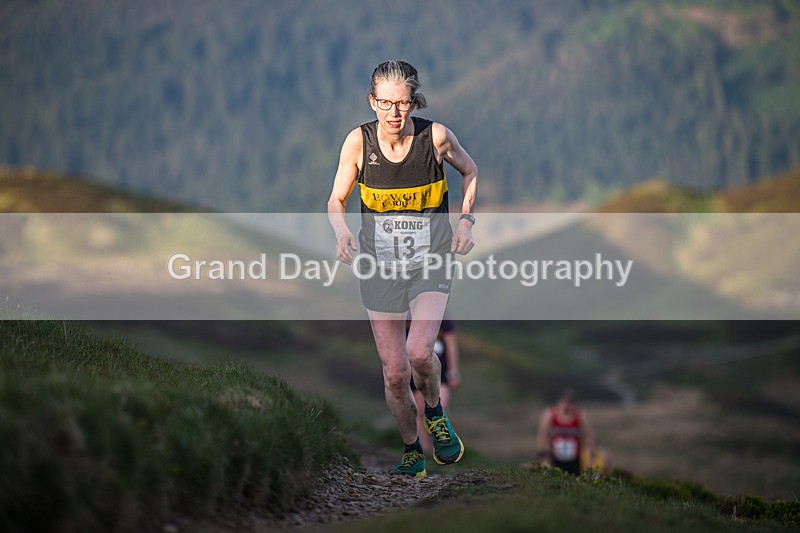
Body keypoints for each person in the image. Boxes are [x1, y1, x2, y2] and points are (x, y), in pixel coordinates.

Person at [327, 60, 478, 478]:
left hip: (431, 262)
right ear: (372, 101)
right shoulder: (358, 143)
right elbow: (336, 199)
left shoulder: (436, 138)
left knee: (419, 352)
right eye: (386, 103)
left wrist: (466, 223)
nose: (394, 113)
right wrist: (341, 233)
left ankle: (435, 413)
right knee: (395, 373)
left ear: (414, 101)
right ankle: (412, 451)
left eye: (403, 103)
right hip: (380, 269)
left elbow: (470, 171)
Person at [409, 313, 461, 454]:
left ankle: (443, 447)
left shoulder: (440, 314)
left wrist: (453, 371)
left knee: (440, 407)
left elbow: (451, 343)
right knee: (421, 411)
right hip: (415, 371)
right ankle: (425, 451)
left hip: (440, 371)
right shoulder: (406, 316)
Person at [536, 389, 596, 475]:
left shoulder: (580, 416)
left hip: (574, 459)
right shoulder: (550, 415)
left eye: (570, 403)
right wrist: (543, 456)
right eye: (564, 402)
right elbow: (543, 435)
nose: (567, 406)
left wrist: (590, 457)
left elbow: (588, 437)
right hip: (555, 458)